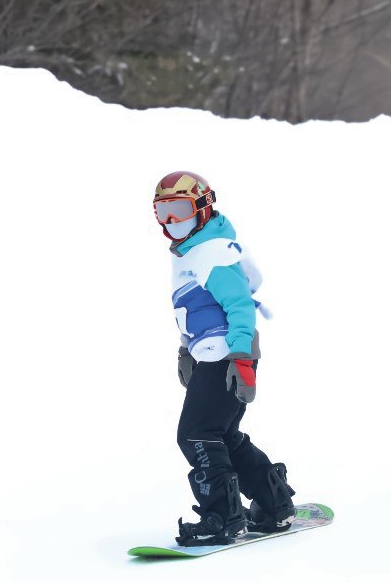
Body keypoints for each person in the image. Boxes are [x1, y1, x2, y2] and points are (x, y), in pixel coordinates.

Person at [152, 170, 296, 547]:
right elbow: (195, 308)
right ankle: (274, 502)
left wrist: (242, 359)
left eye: (180, 209)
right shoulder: (194, 250)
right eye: (162, 212)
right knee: (222, 435)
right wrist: (186, 349)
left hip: (228, 356)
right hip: (214, 356)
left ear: (203, 207)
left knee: (195, 435)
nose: (171, 221)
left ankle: (222, 517)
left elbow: (239, 307)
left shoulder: (211, 252)